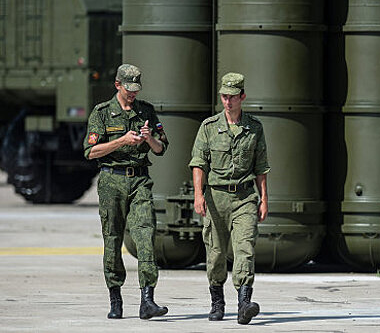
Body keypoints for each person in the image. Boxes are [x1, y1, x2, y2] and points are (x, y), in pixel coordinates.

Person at [83, 64, 169, 320]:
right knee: (112, 240)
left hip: (140, 180)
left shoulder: (147, 111)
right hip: (112, 181)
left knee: (146, 236)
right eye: (128, 89)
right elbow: (90, 152)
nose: (132, 94)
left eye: (136, 89)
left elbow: (161, 148)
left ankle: (147, 300)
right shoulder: (102, 113)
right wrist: (122, 141)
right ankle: (115, 297)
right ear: (117, 85)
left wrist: (148, 138)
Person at [189, 72, 270, 325]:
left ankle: (244, 304)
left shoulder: (254, 128)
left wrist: (264, 199)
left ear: (242, 97)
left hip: (245, 197)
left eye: (232, 97)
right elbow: (198, 164)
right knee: (215, 255)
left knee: (245, 250)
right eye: (224, 97)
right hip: (216, 198)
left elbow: (261, 167)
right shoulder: (209, 127)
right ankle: (217, 302)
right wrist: (198, 195)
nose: (228, 101)